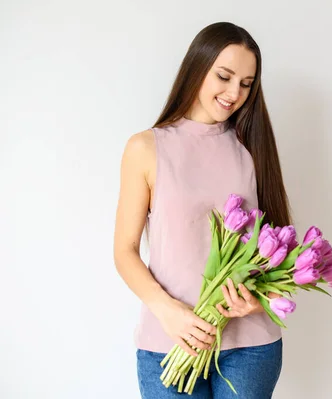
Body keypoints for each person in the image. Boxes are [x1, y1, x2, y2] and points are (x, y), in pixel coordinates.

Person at [113, 21, 292, 398]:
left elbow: (278, 246)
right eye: (224, 76)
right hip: (170, 341)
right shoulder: (146, 148)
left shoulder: (252, 147)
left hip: (250, 348)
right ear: (198, 67)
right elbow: (124, 251)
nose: (234, 93)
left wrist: (258, 300)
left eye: (246, 84)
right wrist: (167, 311)